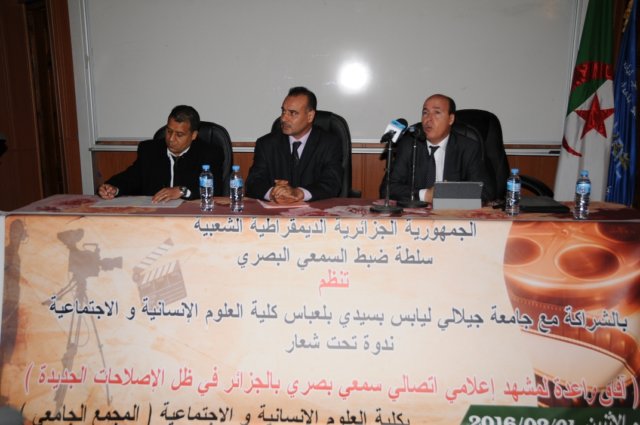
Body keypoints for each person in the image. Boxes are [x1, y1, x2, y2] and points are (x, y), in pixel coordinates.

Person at [98, 105, 224, 202]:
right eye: (169, 131)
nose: (171, 139)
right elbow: (131, 177)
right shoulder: (150, 150)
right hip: (155, 215)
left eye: (179, 134)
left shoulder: (210, 153)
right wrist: (113, 188)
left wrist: (182, 191)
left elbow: (215, 188)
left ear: (194, 135)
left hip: (190, 217)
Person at [388, 94, 493, 203]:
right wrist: (425, 195)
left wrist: (446, 193)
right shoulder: (409, 144)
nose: (428, 119)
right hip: (416, 211)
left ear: (450, 119)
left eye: (437, 113)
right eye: (425, 113)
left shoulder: (468, 148)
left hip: (451, 211)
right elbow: (387, 188)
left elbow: (485, 192)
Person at [245, 86, 343, 204]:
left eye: (292, 113)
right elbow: (253, 183)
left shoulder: (329, 143)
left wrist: (299, 193)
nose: (283, 118)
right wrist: (272, 193)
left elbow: (332, 183)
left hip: (316, 210)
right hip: (276, 211)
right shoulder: (266, 144)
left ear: (310, 116)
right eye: (283, 111)